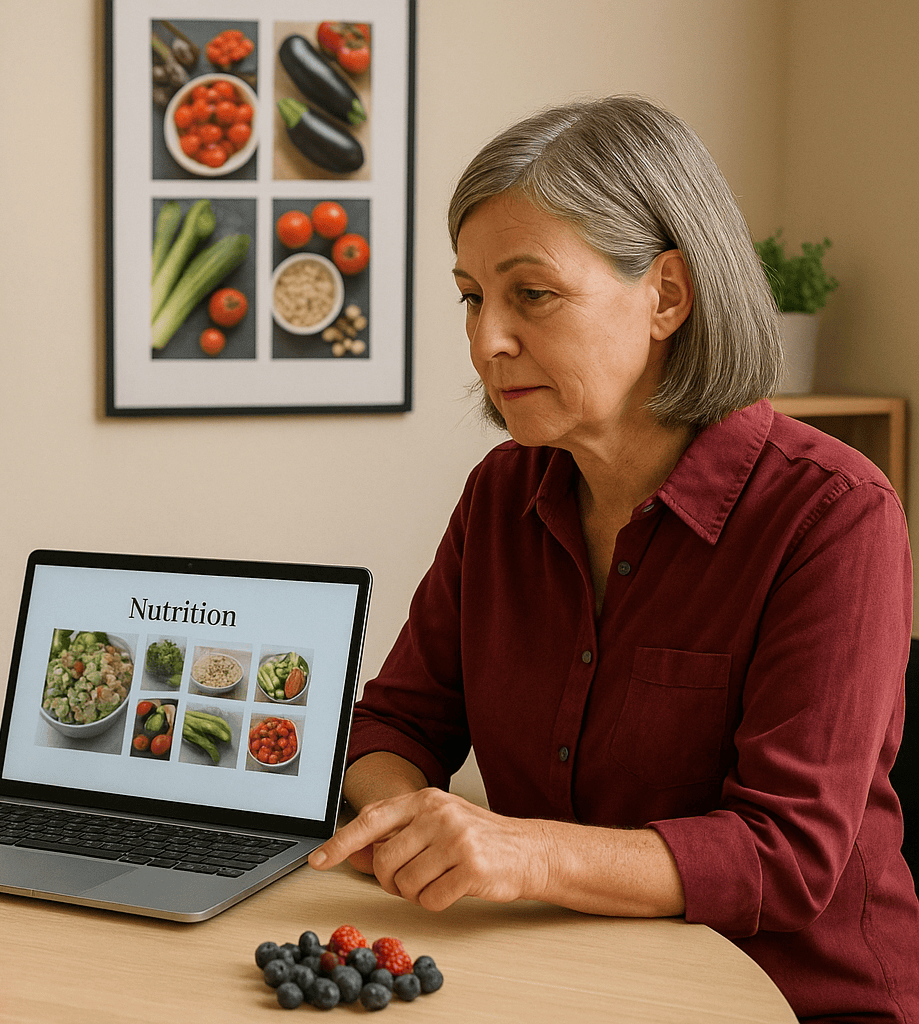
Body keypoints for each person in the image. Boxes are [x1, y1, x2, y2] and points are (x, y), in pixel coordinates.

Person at [309, 97, 919, 1020]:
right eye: (472, 298)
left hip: (791, 1000)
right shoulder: (500, 496)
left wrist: (521, 850)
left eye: (532, 295)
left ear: (667, 295)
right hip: (569, 978)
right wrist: (413, 820)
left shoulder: (834, 514)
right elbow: (392, 725)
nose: (484, 342)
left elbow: (786, 855)